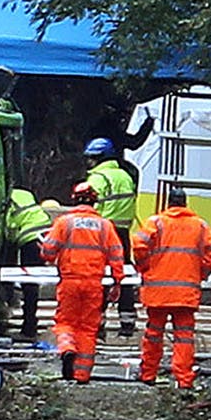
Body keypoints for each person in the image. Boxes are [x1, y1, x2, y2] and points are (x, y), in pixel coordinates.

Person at [132, 187, 211, 389]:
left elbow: (139, 244)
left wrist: (144, 267)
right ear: (185, 203)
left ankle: (148, 374)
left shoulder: (156, 222)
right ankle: (184, 379)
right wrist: (202, 272)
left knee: (153, 334)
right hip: (186, 292)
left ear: (169, 203)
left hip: (158, 292)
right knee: (184, 337)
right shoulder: (200, 226)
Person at [40, 182, 124, 383]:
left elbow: (49, 251)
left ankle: (67, 348)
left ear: (74, 200)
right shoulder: (105, 225)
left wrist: (46, 252)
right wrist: (117, 281)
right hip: (94, 283)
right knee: (88, 328)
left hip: (69, 281)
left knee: (65, 322)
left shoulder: (64, 222)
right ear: (94, 202)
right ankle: (82, 374)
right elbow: (117, 254)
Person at [83, 136, 139, 338]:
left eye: (91, 158)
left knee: (101, 278)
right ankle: (127, 323)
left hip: (104, 232)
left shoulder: (98, 178)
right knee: (124, 276)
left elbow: (89, 204)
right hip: (123, 232)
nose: (89, 162)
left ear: (100, 158)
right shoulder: (125, 176)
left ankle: (98, 326)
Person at [2, 187, 55, 339]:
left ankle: (29, 327)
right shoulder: (22, 194)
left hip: (30, 237)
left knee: (29, 284)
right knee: (32, 283)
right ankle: (30, 324)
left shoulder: (3, 200)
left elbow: (10, 229)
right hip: (44, 232)